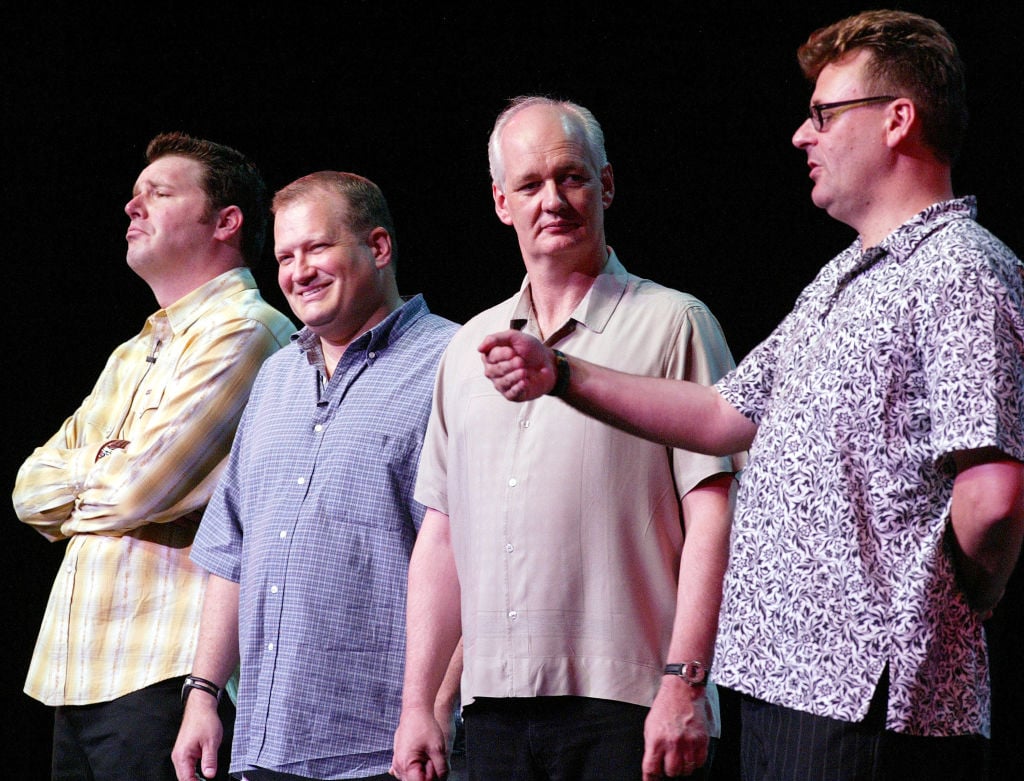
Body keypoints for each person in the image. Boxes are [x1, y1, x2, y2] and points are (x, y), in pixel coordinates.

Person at [479, 11, 1024, 781]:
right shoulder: (842, 279)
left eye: (824, 115)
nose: (804, 136)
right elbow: (719, 414)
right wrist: (560, 375)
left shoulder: (960, 267)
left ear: (899, 120)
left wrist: (958, 597)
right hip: (782, 686)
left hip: (871, 701)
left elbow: (993, 495)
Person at [392, 96, 743, 781]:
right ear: (501, 202)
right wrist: (419, 703)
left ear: (606, 185)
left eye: (571, 177)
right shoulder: (467, 348)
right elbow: (440, 535)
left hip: (632, 707)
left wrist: (684, 682)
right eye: (529, 184)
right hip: (493, 710)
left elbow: (717, 513)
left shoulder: (675, 323)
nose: (552, 199)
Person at [12, 132, 295, 780]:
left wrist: (94, 468)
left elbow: (144, 487)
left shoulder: (247, 331)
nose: (131, 208)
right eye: (135, 196)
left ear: (226, 222)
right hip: (75, 668)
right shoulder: (129, 352)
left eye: (159, 194)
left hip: (165, 671)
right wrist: (110, 465)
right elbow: (27, 488)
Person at [171, 171, 461, 781]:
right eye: (284, 256)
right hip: (262, 743)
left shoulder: (452, 364)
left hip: (385, 749)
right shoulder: (275, 379)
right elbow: (232, 551)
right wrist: (202, 694)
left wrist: (435, 710)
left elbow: (478, 559)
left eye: (317, 248)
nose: (298, 271)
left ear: (377, 248)